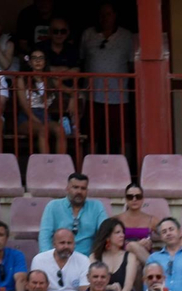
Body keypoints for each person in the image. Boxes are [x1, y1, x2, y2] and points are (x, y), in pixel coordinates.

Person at [79, 4, 133, 158]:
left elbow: (131, 64)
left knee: (122, 135)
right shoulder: (88, 34)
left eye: (108, 14)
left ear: (115, 15)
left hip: (119, 95)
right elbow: (82, 60)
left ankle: (127, 170)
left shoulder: (127, 36)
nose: (104, 18)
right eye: (102, 14)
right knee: (91, 133)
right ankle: (89, 168)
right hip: (92, 93)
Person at [38, 172, 107, 257]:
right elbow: (45, 236)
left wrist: (96, 257)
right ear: (67, 188)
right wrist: (48, 258)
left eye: (83, 188)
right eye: (75, 187)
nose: (79, 191)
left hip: (87, 260)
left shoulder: (96, 206)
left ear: (87, 191)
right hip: (59, 258)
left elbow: (105, 232)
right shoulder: (53, 206)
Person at [89, 218, 142, 291]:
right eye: (117, 232)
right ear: (107, 236)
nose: (122, 235)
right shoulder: (94, 257)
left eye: (123, 232)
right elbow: (91, 285)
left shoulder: (130, 257)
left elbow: (127, 287)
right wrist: (109, 287)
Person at [32, 227, 89, 291]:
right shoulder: (39, 259)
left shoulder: (83, 260)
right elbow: (36, 289)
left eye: (69, 243)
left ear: (74, 244)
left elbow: (84, 290)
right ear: (54, 244)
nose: (66, 246)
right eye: (62, 243)